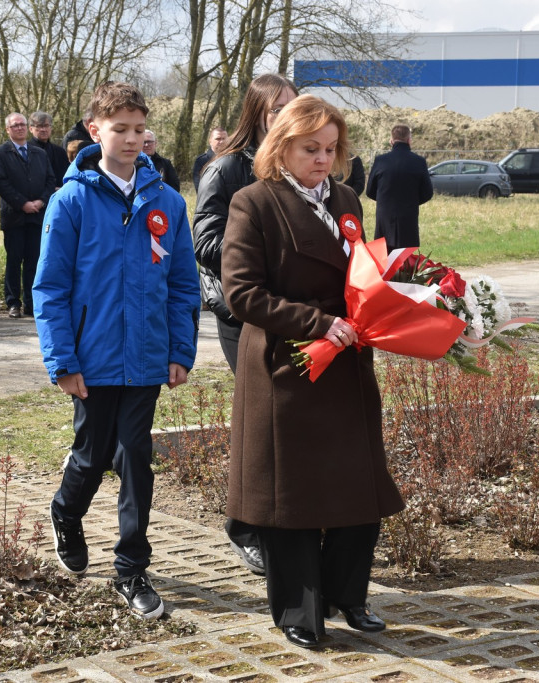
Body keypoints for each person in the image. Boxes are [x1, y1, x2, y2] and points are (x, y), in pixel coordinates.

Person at [221, 94, 403, 649]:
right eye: (310, 149)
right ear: (282, 147)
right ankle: (299, 611)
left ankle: (349, 595)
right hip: (287, 365)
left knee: (356, 485)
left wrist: (400, 303)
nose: (323, 159)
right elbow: (241, 293)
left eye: (330, 148)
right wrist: (317, 322)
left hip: (346, 363)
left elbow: (363, 272)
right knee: (292, 497)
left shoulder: (346, 198)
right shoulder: (254, 202)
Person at [34, 81, 199, 620]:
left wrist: (180, 349)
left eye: (139, 129)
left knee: (135, 457)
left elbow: (182, 285)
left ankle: (131, 567)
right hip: (92, 359)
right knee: (92, 453)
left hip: (147, 357)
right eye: (120, 129)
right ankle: (66, 512)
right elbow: (50, 288)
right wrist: (62, 361)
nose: (132, 139)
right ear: (95, 131)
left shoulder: (168, 202)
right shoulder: (71, 201)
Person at [193, 73, 298, 576]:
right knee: (259, 420)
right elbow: (205, 242)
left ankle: (287, 520)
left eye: (292, 107)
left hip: (291, 311)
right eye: (277, 109)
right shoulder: (227, 168)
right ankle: (245, 528)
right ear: (256, 113)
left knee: (288, 420)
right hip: (243, 313)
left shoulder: (296, 164)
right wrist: (268, 256)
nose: (286, 116)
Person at [0, 112, 55, 318]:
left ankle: (31, 302)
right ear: (7, 130)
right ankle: (13, 302)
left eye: (22, 124)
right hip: (15, 217)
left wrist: (41, 201)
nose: (19, 128)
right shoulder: (0, 152)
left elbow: (50, 180)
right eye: (15, 125)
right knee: (14, 261)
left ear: (28, 128)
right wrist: (22, 203)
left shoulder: (39, 153)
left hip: (37, 216)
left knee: (34, 261)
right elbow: (0, 182)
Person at [365, 124, 434, 251]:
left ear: (391, 141)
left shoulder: (380, 160)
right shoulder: (419, 161)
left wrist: (384, 200)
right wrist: (411, 201)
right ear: (409, 140)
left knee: (384, 256)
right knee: (406, 258)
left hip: (384, 218)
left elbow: (370, 191)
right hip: (408, 218)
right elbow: (428, 193)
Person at [28, 111, 69, 189]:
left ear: (51, 128)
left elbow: (66, 175)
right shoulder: (25, 150)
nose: (43, 129)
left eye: (46, 126)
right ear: (31, 129)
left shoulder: (60, 151)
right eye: (39, 126)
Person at [191, 126, 227, 191]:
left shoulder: (234, 159)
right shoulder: (201, 161)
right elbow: (199, 187)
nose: (221, 141)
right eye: (218, 139)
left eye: (224, 139)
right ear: (210, 141)